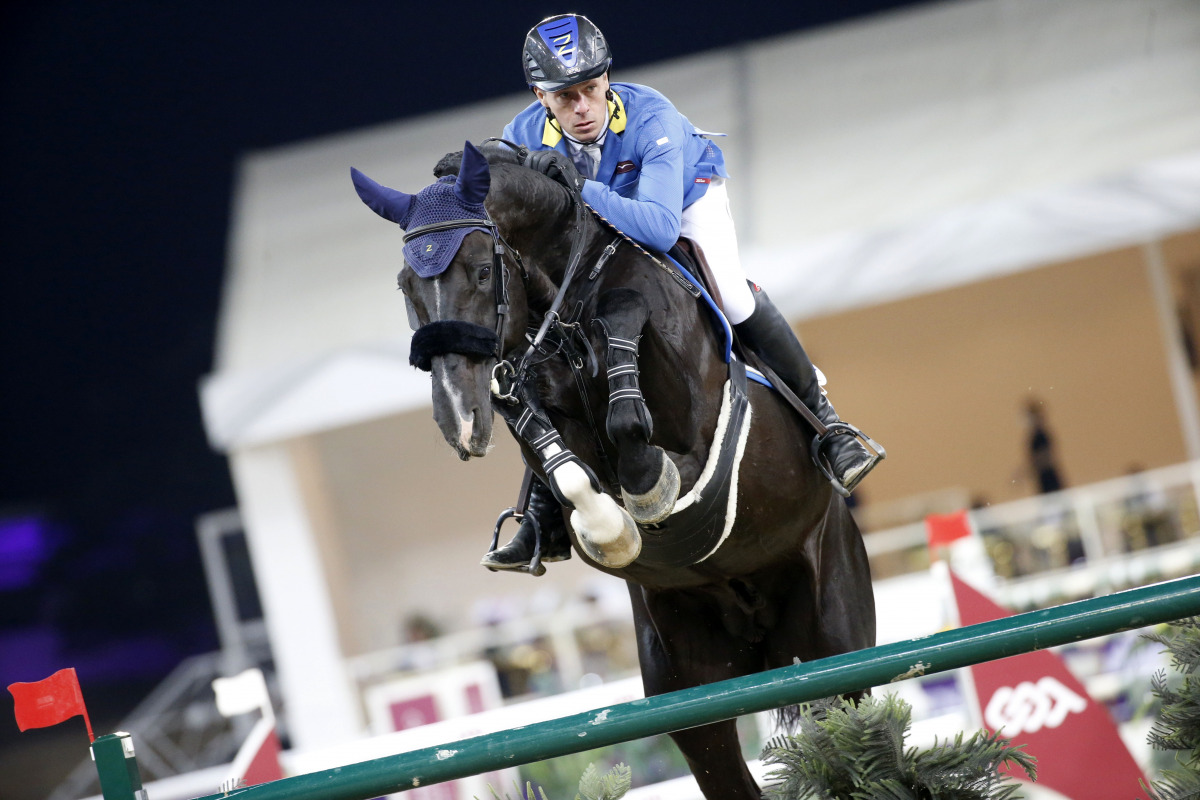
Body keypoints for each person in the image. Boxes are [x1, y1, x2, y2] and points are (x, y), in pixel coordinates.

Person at [482, 13, 877, 572]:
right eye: (565, 97)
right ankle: (544, 510)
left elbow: (660, 229)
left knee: (732, 295)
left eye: (591, 89)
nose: (583, 108)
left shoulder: (652, 116)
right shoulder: (521, 135)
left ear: (607, 77)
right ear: (539, 96)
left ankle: (829, 427)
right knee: (548, 343)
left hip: (682, 202)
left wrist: (580, 187)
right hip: (598, 225)